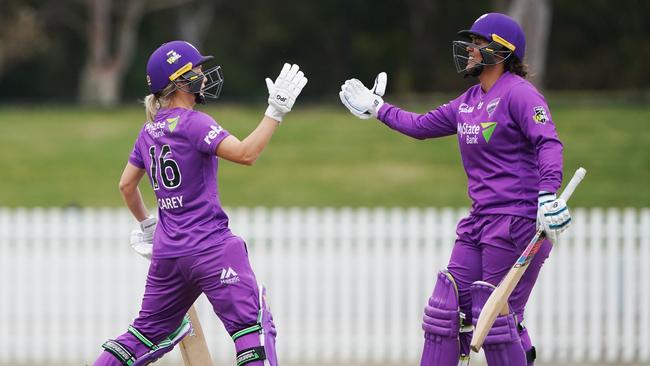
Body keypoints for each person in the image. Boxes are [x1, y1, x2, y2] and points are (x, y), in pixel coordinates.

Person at [339, 13, 571, 366]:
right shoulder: (469, 101)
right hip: (480, 220)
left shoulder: (521, 95)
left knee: (495, 321)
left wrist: (548, 194)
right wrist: (378, 108)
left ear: (501, 51)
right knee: (443, 311)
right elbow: (419, 126)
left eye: (477, 44)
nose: (470, 50)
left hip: (516, 220)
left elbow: (548, 143)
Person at [93, 40, 307, 366]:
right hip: (211, 248)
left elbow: (126, 186)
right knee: (252, 329)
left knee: (143, 335)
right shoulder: (195, 123)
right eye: (197, 71)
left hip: (168, 255)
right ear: (178, 81)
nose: (204, 76)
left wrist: (149, 225)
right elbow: (246, 154)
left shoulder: (149, 129)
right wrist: (275, 112)